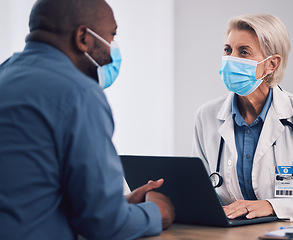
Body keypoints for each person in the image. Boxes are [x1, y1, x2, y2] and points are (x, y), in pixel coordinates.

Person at [0, 0, 174, 239]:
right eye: (111, 36)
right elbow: (103, 224)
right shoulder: (78, 93)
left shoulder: (4, 75)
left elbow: (27, 195)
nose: (113, 47)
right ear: (83, 36)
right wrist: (156, 213)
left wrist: (120, 203)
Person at [192, 13, 293, 224]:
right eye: (228, 50)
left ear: (271, 64)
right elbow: (199, 195)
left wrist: (272, 206)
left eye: (243, 52)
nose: (230, 59)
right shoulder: (206, 116)